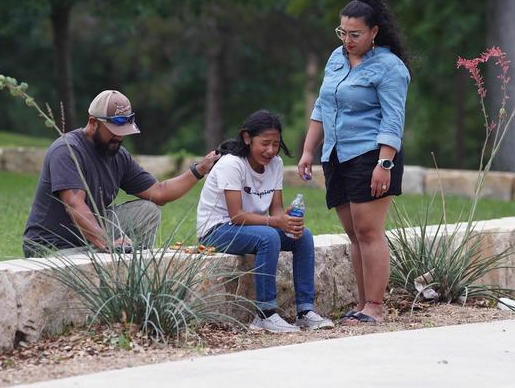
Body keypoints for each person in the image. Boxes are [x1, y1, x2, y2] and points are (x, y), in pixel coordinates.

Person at [298, 0, 411, 325]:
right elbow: (322, 106)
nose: (347, 40)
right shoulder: (337, 58)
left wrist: (384, 163)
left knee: (369, 230)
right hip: (336, 154)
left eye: (355, 34)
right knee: (353, 233)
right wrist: (308, 150)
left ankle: (374, 306)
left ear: (374, 31)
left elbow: (393, 120)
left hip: (371, 155)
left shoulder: (390, 67)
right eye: (342, 32)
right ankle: (362, 304)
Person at [23, 89, 219, 257]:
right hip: (53, 246)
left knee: (148, 210)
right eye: (113, 130)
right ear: (93, 122)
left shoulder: (117, 154)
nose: (119, 136)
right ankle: (107, 258)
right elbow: (74, 205)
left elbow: (159, 193)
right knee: (96, 250)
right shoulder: (67, 150)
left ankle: (131, 271)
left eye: (124, 130)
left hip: (89, 237)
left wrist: (200, 169)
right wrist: (107, 241)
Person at [197, 110, 334, 333]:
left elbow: (276, 210)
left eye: (276, 144)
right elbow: (236, 216)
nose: (270, 150)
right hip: (216, 230)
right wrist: (275, 222)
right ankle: (265, 314)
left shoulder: (275, 164)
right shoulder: (232, 164)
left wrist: (286, 218)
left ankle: (305, 312)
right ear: (247, 138)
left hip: (253, 228)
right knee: (269, 236)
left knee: (303, 236)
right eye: (265, 143)